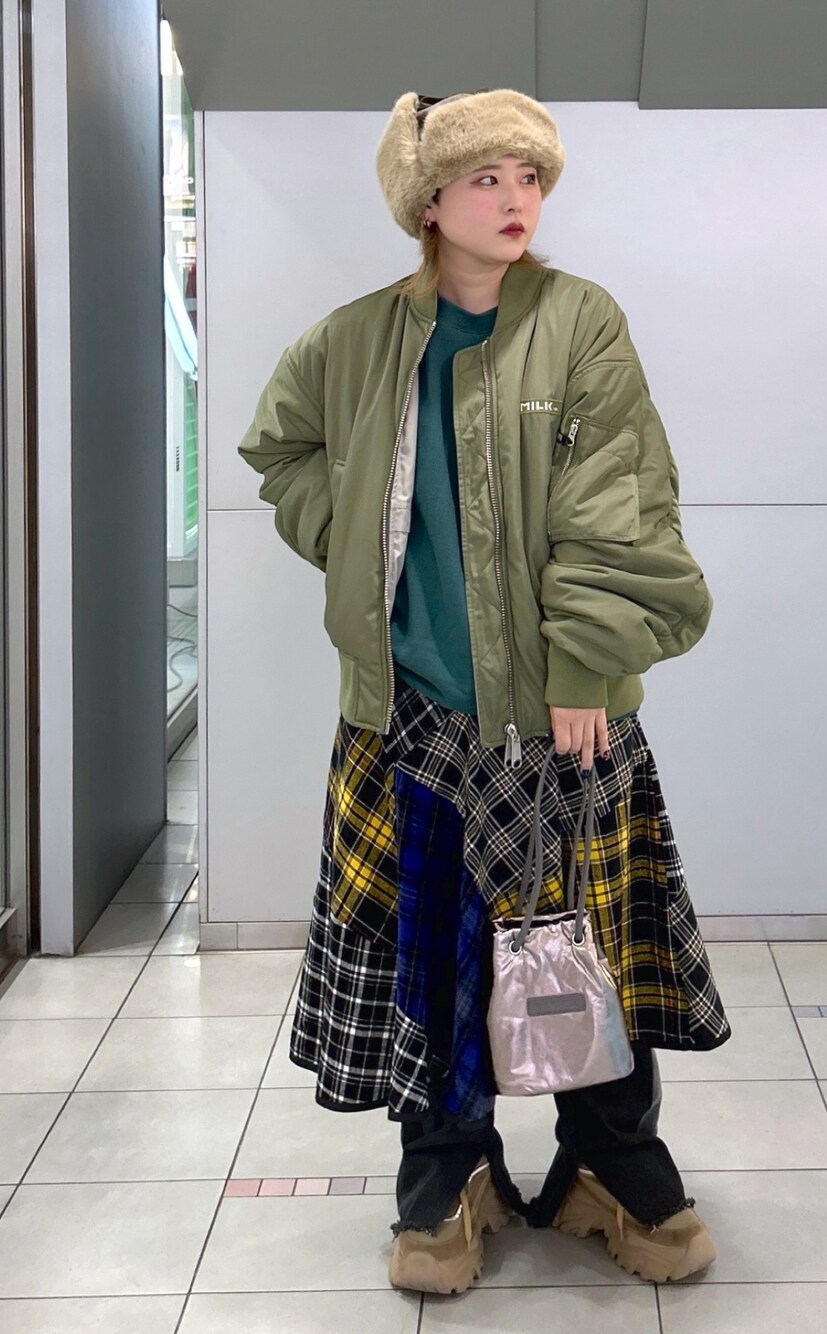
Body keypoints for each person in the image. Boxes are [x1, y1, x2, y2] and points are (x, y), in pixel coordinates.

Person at [237, 86, 731, 1297]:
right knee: (434, 961)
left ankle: (610, 1162)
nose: (517, 200)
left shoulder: (578, 321)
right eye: (486, 178)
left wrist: (587, 660)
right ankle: (447, 1173)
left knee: (585, 950)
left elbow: (619, 494)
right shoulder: (354, 340)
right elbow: (280, 452)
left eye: (530, 177)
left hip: (564, 711)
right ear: (427, 202)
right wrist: (353, 541)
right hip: (409, 713)